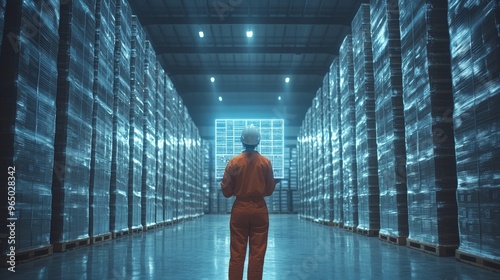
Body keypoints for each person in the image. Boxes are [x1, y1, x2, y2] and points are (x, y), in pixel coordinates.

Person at [220, 125, 278, 280]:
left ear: (242, 141)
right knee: (257, 253)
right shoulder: (265, 162)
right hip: (259, 209)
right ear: (258, 141)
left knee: (237, 252)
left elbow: (226, 192)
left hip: (240, 209)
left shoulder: (234, 162)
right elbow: (269, 190)